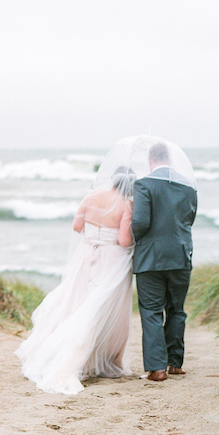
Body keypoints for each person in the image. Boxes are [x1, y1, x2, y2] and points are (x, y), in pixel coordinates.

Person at [15, 152, 137, 395]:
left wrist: (96, 235)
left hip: (85, 255)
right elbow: (124, 241)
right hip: (112, 261)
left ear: (112, 179)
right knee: (101, 309)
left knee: (76, 303)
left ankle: (52, 353)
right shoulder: (126, 204)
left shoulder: (91, 196)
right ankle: (105, 362)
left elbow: (77, 226)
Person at [131, 140, 198, 382]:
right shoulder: (189, 186)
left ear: (150, 160)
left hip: (151, 258)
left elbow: (139, 222)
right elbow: (189, 219)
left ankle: (157, 368)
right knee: (176, 310)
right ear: (169, 159)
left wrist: (137, 238)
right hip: (181, 256)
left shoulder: (143, 184)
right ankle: (175, 363)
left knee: (150, 311)